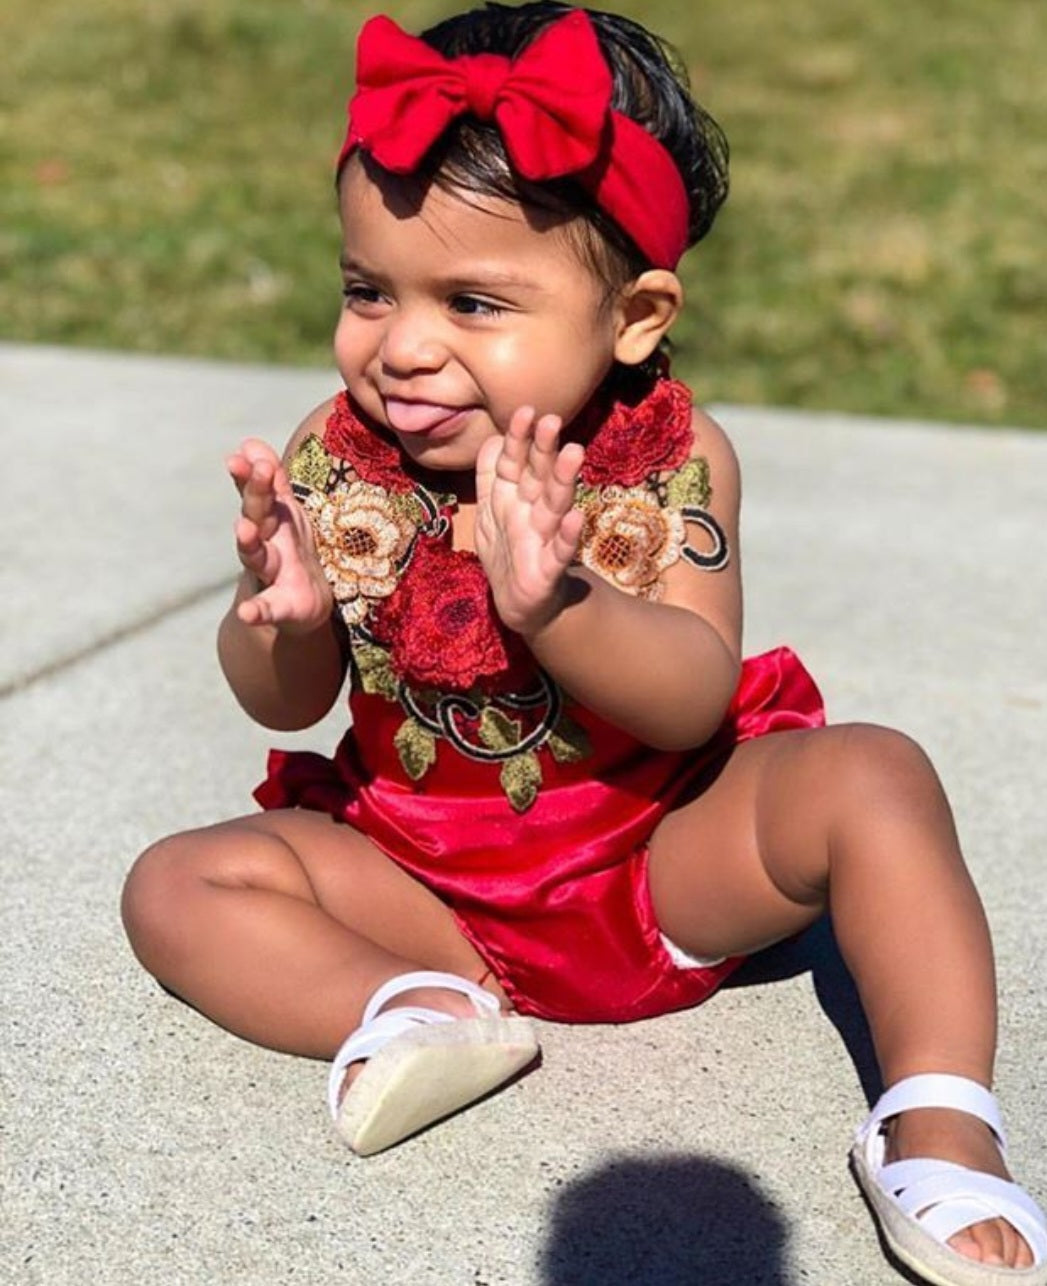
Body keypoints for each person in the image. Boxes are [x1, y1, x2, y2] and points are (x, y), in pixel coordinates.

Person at [121, 3, 1046, 1281]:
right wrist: (271, 619)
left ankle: (940, 1116)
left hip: (656, 859)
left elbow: (689, 696)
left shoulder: (670, 458)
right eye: (366, 289)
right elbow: (288, 705)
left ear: (635, 316)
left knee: (874, 774)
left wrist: (560, 605)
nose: (404, 345)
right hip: (427, 883)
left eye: (475, 300)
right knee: (177, 882)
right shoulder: (338, 456)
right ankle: (416, 1010)